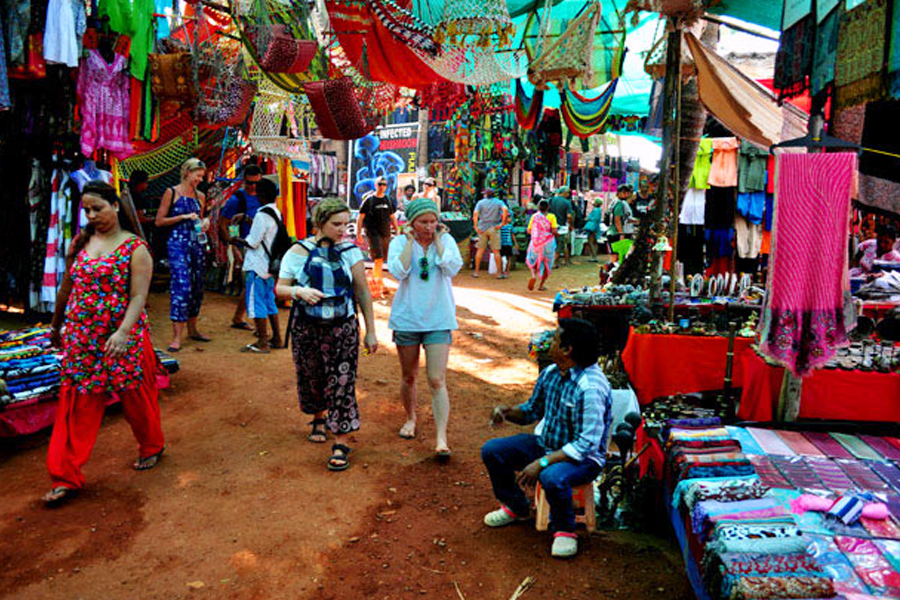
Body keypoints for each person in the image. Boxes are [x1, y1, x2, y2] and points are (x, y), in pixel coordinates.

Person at [42, 181, 165, 505]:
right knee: (77, 403)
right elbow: (67, 289)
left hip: (122, 338)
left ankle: (152, 445)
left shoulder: (135, 247)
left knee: (135, 398)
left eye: (98, 208)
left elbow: (139, 295)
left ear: (115, 205)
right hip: (82, 338)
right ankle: (65, 475)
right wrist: (56, 326)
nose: (92, 215)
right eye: (87, 210)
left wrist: (123, 332)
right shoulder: (81, 244)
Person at [482, 319, 611, 558]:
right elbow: (532, 410)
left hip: (584, 459)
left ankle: (564, 529)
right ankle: (516, 507)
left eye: (554, 339)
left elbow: (586, 445)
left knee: (550, 476)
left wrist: (542, 462)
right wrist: (507, 411)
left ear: (566, 350)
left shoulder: (590, 387)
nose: (548, 343)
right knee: (493, 450)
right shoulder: (552, 373)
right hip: (547, 445)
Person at [276, 198, 378, 471]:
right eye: (336, 224)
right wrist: (300, 291)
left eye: (346, 223)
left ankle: (341, 441)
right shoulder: (298, 250)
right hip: (306, 328)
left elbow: (362, 292)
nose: (343, 230)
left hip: (342, 327)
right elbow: (280, 288)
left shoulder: (351, 252)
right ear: (319, 223)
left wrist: (371, 331)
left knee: (343, 382)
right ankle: (318, 418)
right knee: (313, 376)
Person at [387, 198, 463, 458]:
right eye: (423, 222)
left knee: (436, 378)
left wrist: (439, 241)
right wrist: (409, 241)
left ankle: (441, 438)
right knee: (409, 376)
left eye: (433, 221)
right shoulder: (399, 243)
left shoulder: (446, 242)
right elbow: (399, 271)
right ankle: (410, 418)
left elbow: (451, 267)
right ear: (412, 222)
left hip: (439, 318)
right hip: (407, 317)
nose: (429, 227)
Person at [156, 157, 211, 352]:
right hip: (178, 245)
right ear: (188, 172)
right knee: (182, 286)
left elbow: (200, 221)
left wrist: (204, 224)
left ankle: (193, 329)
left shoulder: (201, 196)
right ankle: (177, 337)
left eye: (202, 176)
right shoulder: (171, 193)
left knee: (197, 286)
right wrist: (183, 217)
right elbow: (159, 221)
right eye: (198, 175)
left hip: (197, 245)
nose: (200, 179)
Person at [234, 178, 284, 353]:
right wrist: (249, 220)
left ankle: (262, 341)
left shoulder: (261, 215)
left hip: (257, 265)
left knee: (257, 304)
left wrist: (235, 240)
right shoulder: (275, 213)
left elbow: (253, 242)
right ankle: (277, 337)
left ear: (259, 195)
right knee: (270, 302)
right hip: (269, 266)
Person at [219, 165, 263, 331]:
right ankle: (240, 318)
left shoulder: (263, 196)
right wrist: (234, 247)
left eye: (256, 183)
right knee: (251, 284)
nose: (253, 186)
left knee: (254, 284)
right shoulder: (236, 199)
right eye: (249, 183)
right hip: (245, 245)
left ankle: (240, 317)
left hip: (259, 245)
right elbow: (224, 224)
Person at [357, 175, 399, 299]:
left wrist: (397, 230)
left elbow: (392, 216)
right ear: (375, 185)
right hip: (372, 233)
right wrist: (359, 233)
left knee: (381, 261)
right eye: (380, 184)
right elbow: (360, 217)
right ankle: (378, 285)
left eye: (384, 184)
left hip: (385, 233)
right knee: (378, 260)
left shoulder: (388, 200)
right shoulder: (369, 200)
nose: (382, 186)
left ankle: (375, 280)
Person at [472, 191, 509, 279]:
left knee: (480, 250)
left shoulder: (480, 202)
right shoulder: (499, 202)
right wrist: (503, 223)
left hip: (482, 228)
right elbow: (505, 210)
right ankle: (499, 273)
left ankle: (476, 272)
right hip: (494, 227)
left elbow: (475, 213)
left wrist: (476, 226)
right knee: (496, 251)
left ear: (486, 195)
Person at [526, 200, 558, 291]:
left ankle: (533, 275)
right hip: (548, 243)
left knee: (533, 261)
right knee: (547, 263)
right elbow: (554, 231)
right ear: (548, 208)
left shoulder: (534, 216)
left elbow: (529, 230)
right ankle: (541, 285)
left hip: (535, 243)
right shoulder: (552, 217)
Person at [549, 186, 574, 267]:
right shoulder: (567, 202)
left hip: (551, 225)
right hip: (562, 226)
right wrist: (570, 225)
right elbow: (569, 216)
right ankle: (555, 262)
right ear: (565, 193)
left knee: (552, 245)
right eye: (568, 193)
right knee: (561, 244)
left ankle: (556, 261)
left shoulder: (552, 200)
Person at [583, 198, 604, 262]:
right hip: (596, 227)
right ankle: (594, 256)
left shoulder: (595, 210)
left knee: (591, 242)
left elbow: (593, 219)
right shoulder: (599, 210)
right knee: (595, 242)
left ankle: (593, 256)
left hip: (592, 227)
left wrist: (587, 218)